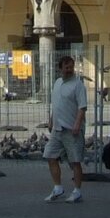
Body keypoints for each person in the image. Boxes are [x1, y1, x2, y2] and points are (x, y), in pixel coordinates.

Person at [43, 54, 87, 203]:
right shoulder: (57, 83)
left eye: (71, 67)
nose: (69, 70)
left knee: (75, 161)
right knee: (50, 155)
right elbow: (56, 105)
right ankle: (58, 187)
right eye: (66, 67)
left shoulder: (78, 84)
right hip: (57, 128)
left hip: (71, 129)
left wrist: (77, 124)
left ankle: (77, 191)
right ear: (60, 68)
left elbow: (82, 107)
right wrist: (50, 121)